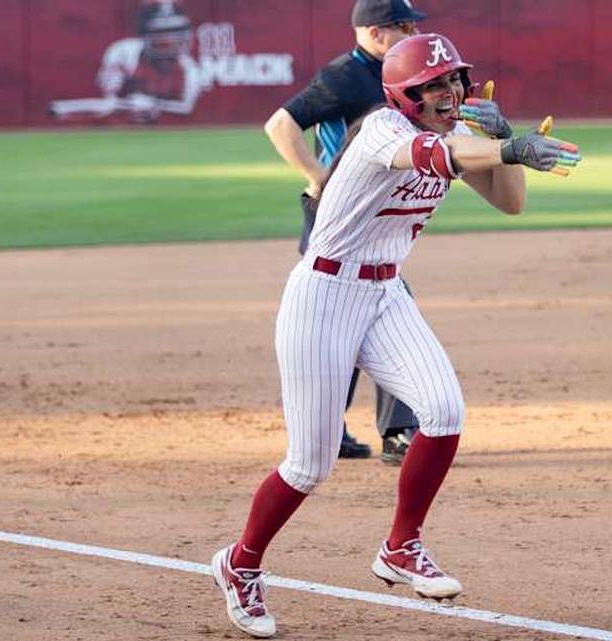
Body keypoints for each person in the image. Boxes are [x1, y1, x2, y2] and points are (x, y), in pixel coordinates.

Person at [209, 33, 581, 638]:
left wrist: (498, 137)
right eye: (431, 86)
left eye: (453, 81)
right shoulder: (384, 131)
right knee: (310, 463)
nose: (448, 93)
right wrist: (506, 147)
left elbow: (510, 203)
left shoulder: (460, 136)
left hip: (385, 294)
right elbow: (436, 159)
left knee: (442, 410)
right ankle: (241, 563)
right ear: (403, 96)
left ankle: (401, 546)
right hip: (323, 295)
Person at [263, 0, 428, 464]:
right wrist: (318, 177)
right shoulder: (345, 76)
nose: (413, 31)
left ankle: (331, 427)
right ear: (376, 32)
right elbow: (280, 124)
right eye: (404, 25)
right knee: (381, 302)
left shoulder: (394, 72)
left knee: (347, 316)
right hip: (338, 218)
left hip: (370, 214)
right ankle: (398, 431)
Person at [50, 0, 199, 123]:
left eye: (175, 35)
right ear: (145, 35)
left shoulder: (188, 68)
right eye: (162, 36)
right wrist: (129, 104)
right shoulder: (123, 52)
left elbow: (187, 108)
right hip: (118, 127)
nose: (170, 42)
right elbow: (109, 101)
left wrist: (155, 104)